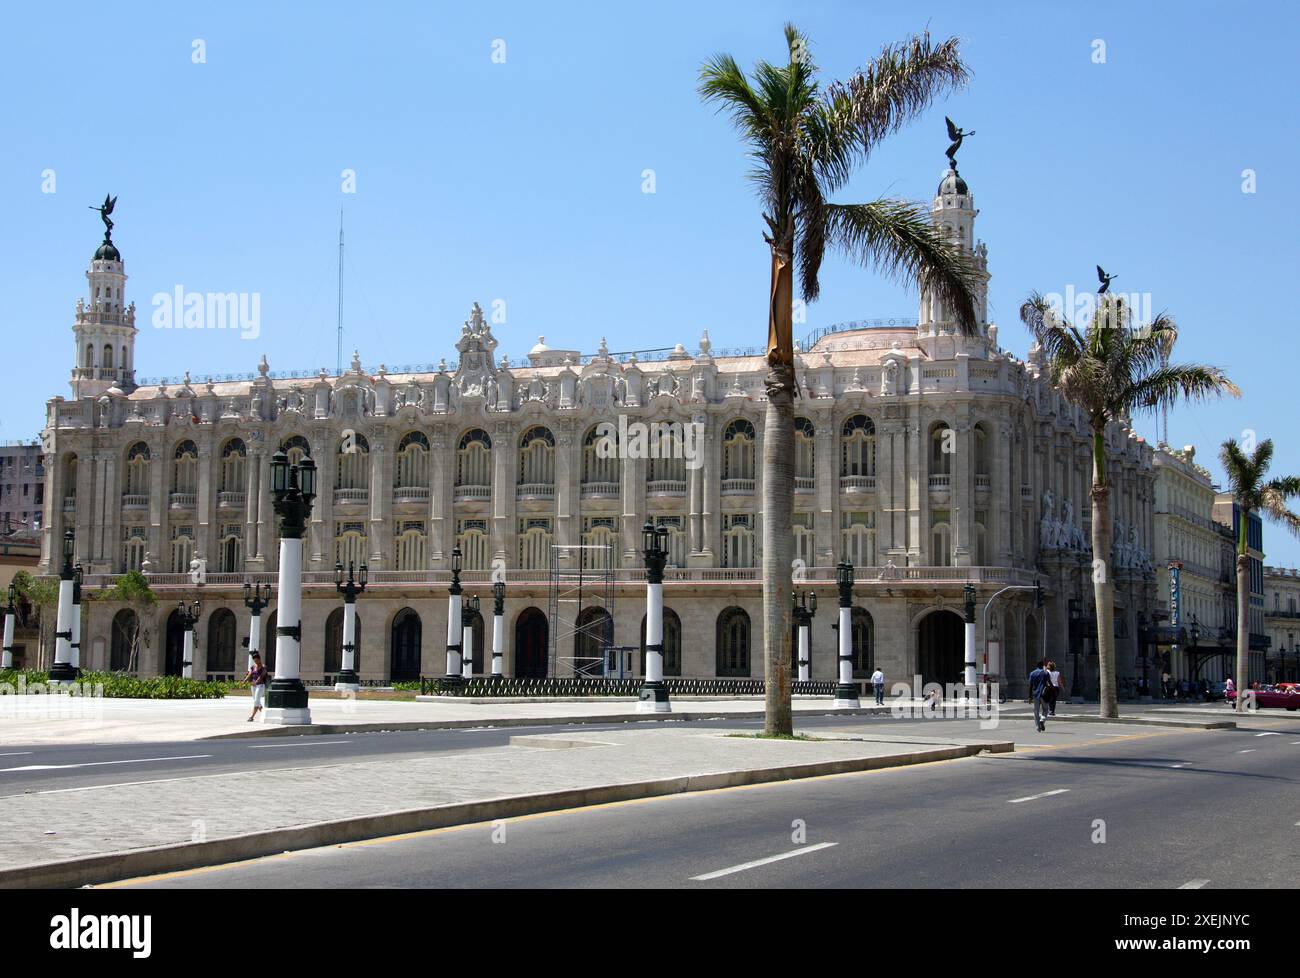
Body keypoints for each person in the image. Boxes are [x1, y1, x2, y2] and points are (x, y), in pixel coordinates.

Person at [244, 652, 269, 722]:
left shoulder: (264, 667)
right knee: (256, 700)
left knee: (256, 701)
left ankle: (251, 717)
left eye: (257, 660)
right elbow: (249, 674)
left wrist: (256, 682)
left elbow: (261, 676)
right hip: (253, 686)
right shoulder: (253, 667)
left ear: (259, 659)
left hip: (260, 686)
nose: (256, 662)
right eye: (254, 660)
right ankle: (264, 713)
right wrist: (244, 681)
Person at [1029, 659, 1052, 732]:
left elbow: (1030, 685)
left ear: (1036, 666)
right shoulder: (1045, 673)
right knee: (1045, 709)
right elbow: (1049, 683)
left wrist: (1029, 696)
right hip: (1044, 694)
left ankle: (1038, 727)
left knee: (1036, 711)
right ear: (1042, 666)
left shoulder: (1032, 673)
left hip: (1035, 695)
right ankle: (1042, 720)